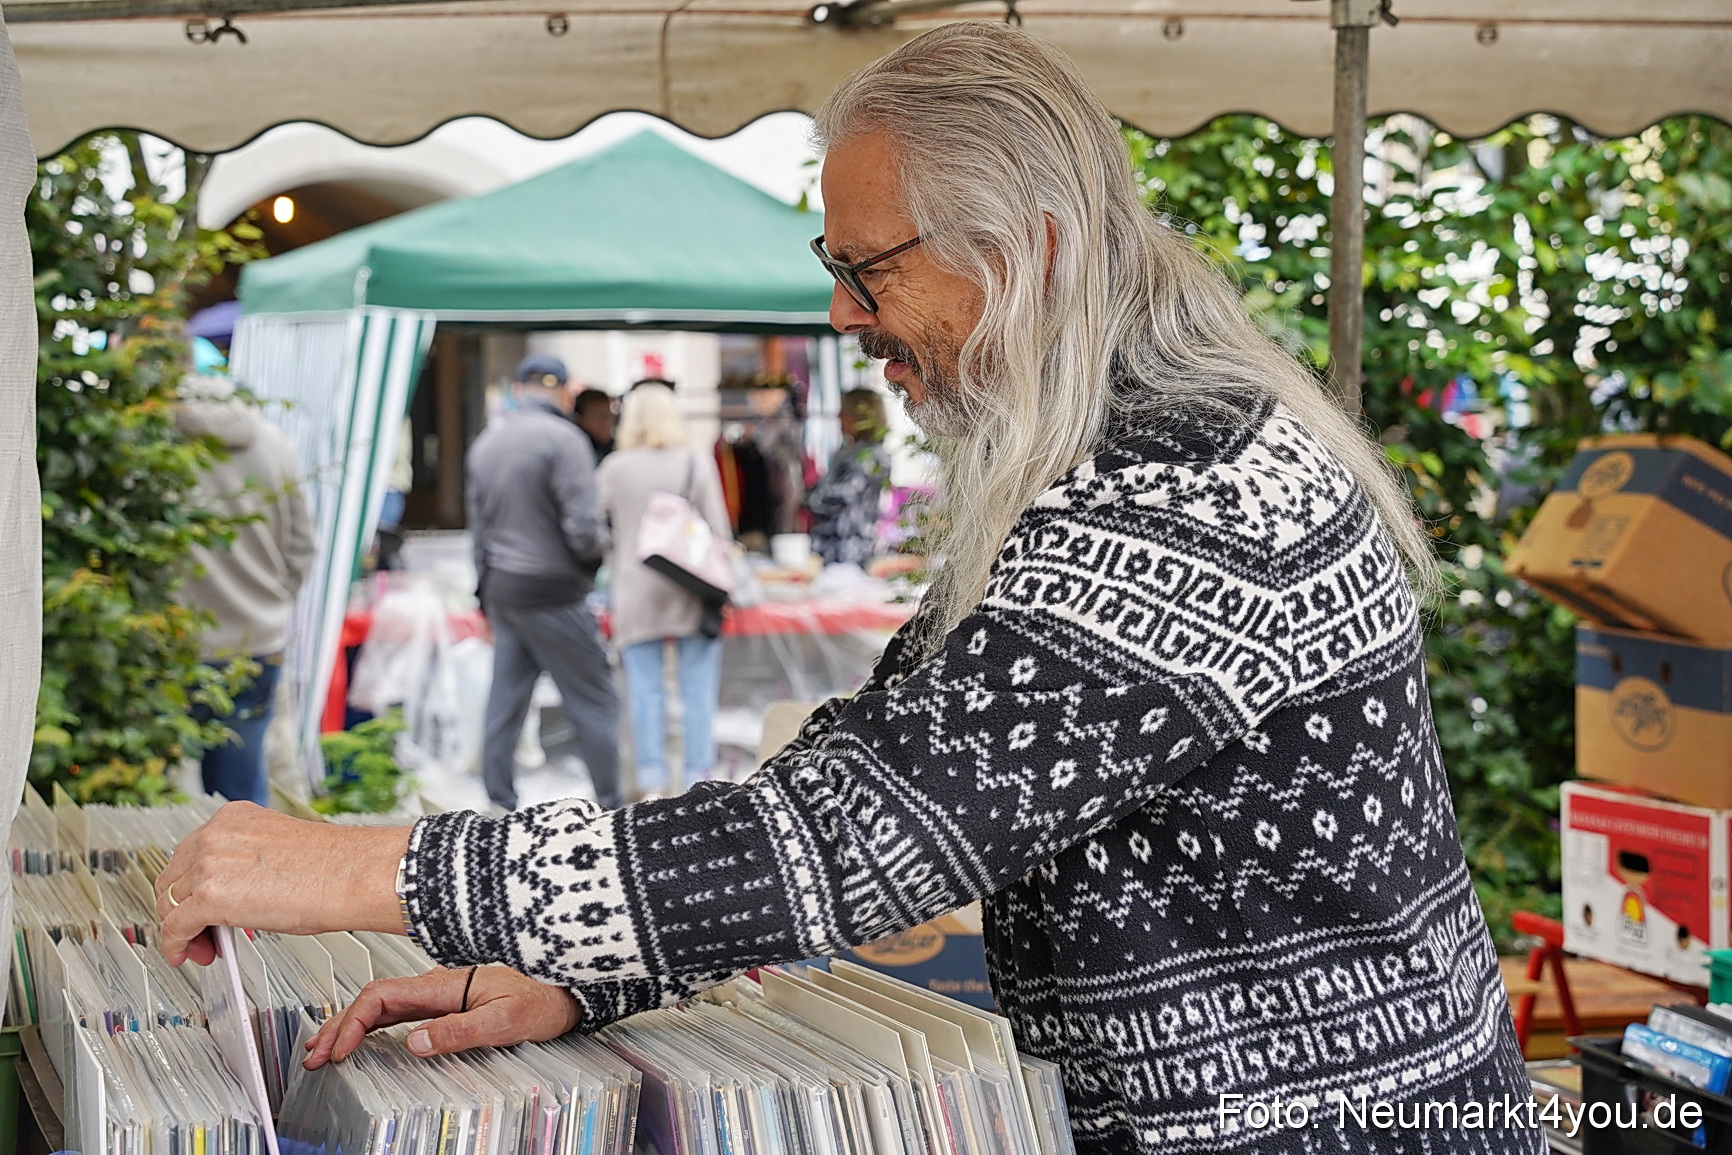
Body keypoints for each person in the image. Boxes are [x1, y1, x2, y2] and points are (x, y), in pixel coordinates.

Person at [154, 25, 1540, 1155]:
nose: (843, 316)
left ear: (1031, 250)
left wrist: (364, 867)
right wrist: (587, 972)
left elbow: (860, 834)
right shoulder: (1101, 451)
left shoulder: (1189, 490)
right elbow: (878, 764)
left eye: (869, 269)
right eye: (837, 268)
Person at [465, 354, 621, 812]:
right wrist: (592, 566)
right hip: (554, 590)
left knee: (506, 703)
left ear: (518, 390)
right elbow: (584, 529)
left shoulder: (487, 444)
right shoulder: (565, 440)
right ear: (564, 393)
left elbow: (479, 536)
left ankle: (498, 803)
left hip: (504, 590)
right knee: (595, 699)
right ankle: (613, 808)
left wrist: (484, 598)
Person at [174, 375, 315, 805]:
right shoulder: (274, 443)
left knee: (159, 799)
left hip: (175, 642)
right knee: (242, 791)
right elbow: (303, 545)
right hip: (257, 639)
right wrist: (273, 601)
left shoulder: (159, 447)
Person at [594, 384, 732, 799]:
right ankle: (698, 780)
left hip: (634, 591)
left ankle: (652, 782)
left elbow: (592, 529)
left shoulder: (613, 468)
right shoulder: (694, 462)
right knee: (697, 691)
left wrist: (618, 548)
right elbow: (720, 532)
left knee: (644, 691)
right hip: (692, 588)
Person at [807, 388, 891, 568]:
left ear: (858, 417)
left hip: (849, 553)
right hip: (832, 550)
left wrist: (810, 495)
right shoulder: (848, 452)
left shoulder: (870, 456)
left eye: (843, 412)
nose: (838, 417)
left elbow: (835, 497)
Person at [571, 388, 617, 465]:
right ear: (581, 419)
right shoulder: (573, 450)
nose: (608, 423)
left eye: (611, 417)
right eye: (600, 417)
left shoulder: (616, 451)